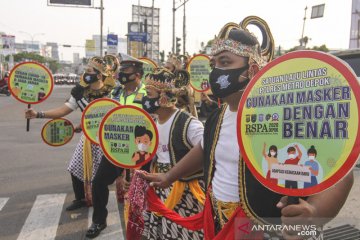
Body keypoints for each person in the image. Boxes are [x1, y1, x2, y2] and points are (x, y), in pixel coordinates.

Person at [142, 17, 354, 239]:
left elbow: (341, 173)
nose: (215, 73)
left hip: (268, 227)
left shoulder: (282, 114)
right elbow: (206, 149)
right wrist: (169, 177)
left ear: (252, 69)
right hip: (218, 220)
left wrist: (316, 213)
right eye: (214, 65)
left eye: (225, 63)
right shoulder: (217, 116)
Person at [25, 56, 117, 211]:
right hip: (88, 138)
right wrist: (38, 114)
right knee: (75, 167)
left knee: (101, 176)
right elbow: (64, 110)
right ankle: (81, 198)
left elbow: (104, 114)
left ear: (99, 75)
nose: (85, 74)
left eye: (88, 71)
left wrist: (84, 117)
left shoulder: (112, 92)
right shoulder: (80, 92)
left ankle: (100, 208)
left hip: (106, 139)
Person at [137, 67, 204, 239]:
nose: (145, 98)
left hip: (185, 190)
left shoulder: (189, 124)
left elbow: (209, 149)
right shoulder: (153, 122)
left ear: (164, 97)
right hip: (159, 185)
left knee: (184, 233)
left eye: (149, 93)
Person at [86, 53, 148, 239]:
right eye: (120, 70)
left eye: (125, 70)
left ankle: (147, 223)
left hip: (141, 150)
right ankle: (99, 220)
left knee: (144, 187)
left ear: (136, 74)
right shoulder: (115, 93)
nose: (121, 73)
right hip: (117, 147)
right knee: (98, 182)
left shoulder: (148, 94)